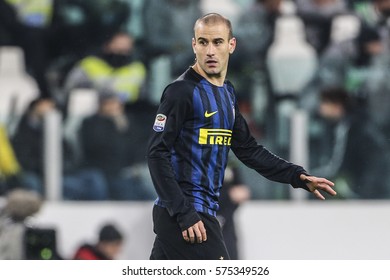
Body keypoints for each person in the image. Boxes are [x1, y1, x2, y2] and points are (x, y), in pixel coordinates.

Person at [147, 13, 337, 260]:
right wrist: (184, 213)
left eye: (217, 42)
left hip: (194, 212)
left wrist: (297, 175)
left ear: (231, 45)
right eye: (203, 42)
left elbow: (248, 149)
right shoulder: (180, 92)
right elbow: (156, 152)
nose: (210, 51)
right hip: (186, 213)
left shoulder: (227, 93)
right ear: (194, 45)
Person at [309, 87, 390, 199]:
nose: (320, 108)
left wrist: (309, 176)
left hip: (371, 184)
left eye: (324, 103)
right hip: (377, 181)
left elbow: (337, 166)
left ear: (336, 105)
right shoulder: (358, 121)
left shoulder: (348, 126)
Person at [79, 91, 156, 200]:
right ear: (101, 106)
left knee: (150, 173)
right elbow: (102, 149)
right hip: (107, 171)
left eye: (116, 103)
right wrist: (116, 126)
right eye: (109, 104)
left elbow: (138, 145)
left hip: (131, 169)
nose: (113, 107)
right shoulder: (92, 123)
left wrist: (123, 127)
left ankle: (164, 207)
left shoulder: (128, 121)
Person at [63, 31, 147, 107]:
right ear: (106, 46)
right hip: (93, 114)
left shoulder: (138, 69)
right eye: (117, 48)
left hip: (130, 116)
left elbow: (144, 99)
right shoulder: (89, 65)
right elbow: (69, 94)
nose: (121, 53)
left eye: (126, 49)